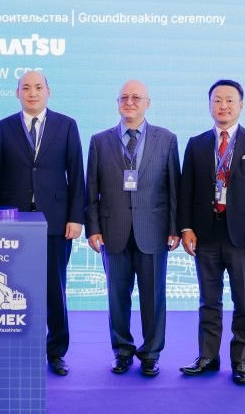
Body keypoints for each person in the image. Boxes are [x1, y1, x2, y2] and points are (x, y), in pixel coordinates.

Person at [178, 79, 245, 385]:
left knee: (244, 302)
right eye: (217, 100)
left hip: (243, 237)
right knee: (209, 301)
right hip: (205, 234)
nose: (223, 105)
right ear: (209, 105)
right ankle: (207, 357)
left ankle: (241, 361)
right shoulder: (196, 144)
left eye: (229, 100)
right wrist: (186, 227)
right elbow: (186, 190)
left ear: (241, 105)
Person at [0, 70, 84, 376]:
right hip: (13, 222)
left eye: (38, 87)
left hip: (55, 221)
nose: (32, 93)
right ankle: (20, 348)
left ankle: (56, 352)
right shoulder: (4, 127)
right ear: (17, 93)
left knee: (54, 289)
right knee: (14, 290)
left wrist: (76, 217)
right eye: (26, 88)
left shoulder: (66, 125)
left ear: (48, 92)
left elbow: (76, 175)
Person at [85, 80, 180, 376]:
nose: (130, 102)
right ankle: (122, 351)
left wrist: (175, 228)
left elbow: (174, 189)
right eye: (124, 97)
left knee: (154, 298)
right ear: (117, 103)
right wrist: (93, 228)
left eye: (136, 97)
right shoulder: (99, 141)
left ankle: (151, 353)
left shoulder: (167, 139)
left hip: (153, 231)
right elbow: (91, 191)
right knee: (117, 298)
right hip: (112, 232)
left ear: (147, 103)